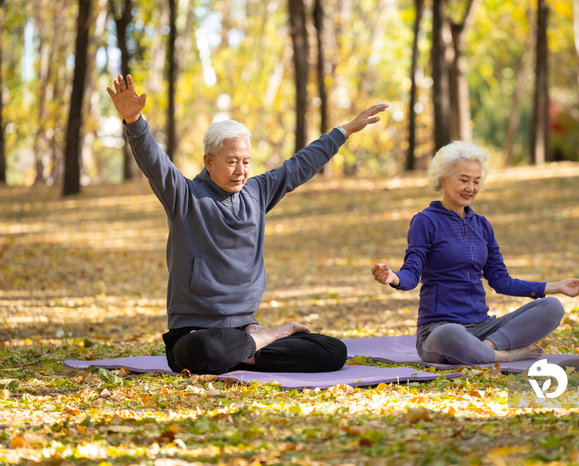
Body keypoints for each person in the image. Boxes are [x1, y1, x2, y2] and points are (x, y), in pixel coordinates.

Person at [107, 74, 388, 374]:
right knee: (204, 351)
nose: (240, 171)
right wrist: (134, 120)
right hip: (196, 335)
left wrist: (344, 131)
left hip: (245, 331)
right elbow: (155, 163)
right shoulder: (185, 197)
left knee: (333, 351)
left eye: (246, 161)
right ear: (208, 161)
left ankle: (251, 346)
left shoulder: (256, 193)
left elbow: (299, 166)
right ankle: (269, 338)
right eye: (231, 161)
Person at [371, 141, 579, 364]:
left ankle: (486, 348)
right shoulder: (426, 221)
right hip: (439, 331)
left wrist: (556, 286)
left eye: (476, 181)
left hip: (483, 328)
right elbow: (411, 273)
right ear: (443, 179)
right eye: (464, 180)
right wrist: (393, 277)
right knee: (451, 333)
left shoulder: (482, 225)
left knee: (552, 306)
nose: (471, 188)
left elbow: (501, 280)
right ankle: (502, 356)